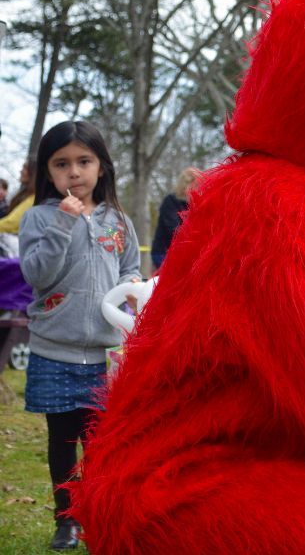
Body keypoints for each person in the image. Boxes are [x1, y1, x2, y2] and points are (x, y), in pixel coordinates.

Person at [18, 121, 140, 550]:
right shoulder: (38, 218)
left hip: (106, 354)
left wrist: (132, 290)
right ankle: (66, 520)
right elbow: (37, 274)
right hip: (54, 352)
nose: (74, 171)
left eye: (84, 161)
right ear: (47, 172)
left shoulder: (117, 220)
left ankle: (100, 513)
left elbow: (128, 269)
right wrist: (62, 225)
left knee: (102, 443)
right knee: (63, 441)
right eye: (61, 163)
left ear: (101, 166)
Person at [150, 167, 198, 270]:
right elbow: (173, 229)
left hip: (187, 253)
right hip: (164, 252)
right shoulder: (170, 201)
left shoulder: (196, 204)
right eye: (194, 186)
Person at [0, 158, 37, 258]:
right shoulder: (24, 196)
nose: (21, 171)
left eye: (24, 168)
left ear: (33, 172)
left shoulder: (33, 198)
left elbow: (11, 223)